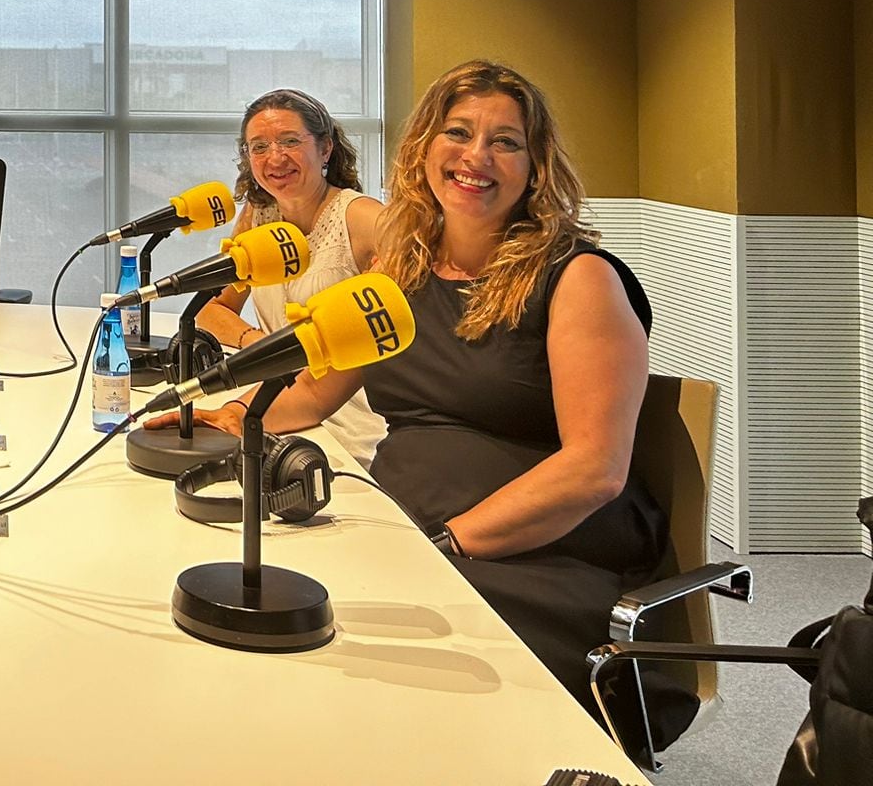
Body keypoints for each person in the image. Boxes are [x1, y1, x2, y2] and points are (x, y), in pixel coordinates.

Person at [186, 60, 689, 747]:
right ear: (424, 148)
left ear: (535, 165)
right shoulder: (401, 268)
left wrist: (447, 545)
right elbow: (315, 394)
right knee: (278, 617)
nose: (476, 157)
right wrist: (214, 418)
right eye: (458, 133)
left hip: (538, 554)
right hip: (408, 522)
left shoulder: (578, 278)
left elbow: (593, 470)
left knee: (375, 671)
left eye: (505, 142)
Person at [194, 87, 386, 466]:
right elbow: (211, 310)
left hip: (347, 416)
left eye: (290, 141)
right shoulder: (256, 216)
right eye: (259, 147)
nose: (275, 158)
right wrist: (261, 344)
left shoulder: (364, 218)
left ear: (325, 148)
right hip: (275, 398)